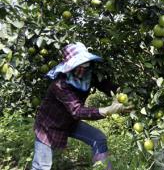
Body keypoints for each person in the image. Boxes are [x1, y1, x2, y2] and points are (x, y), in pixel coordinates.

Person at [31, 42, 130, 170]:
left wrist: (125, 93)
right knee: (42, 166)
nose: (83, 68)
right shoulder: (60, 84)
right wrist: (106, 110)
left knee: (98, 139)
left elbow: (106, 85)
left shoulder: (88, 75)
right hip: (48, 126)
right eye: (78, 64)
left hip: (71, 122)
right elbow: (77, 111)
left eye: (85, 64)